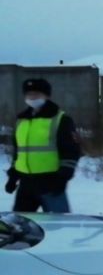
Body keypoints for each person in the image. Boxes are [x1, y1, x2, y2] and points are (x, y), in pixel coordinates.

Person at [5, 79, 82, 213]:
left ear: (46, 96)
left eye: (36, 94)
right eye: (29, 94)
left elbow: (71, 151)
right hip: (26, 185)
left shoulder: (60, 119)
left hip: (51, 183)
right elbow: (18, 153)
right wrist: (13, 177)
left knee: (60, 227)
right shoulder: (21, 120)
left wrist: (62, 178)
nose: (32, 97)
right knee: (21, 225)